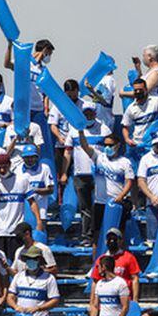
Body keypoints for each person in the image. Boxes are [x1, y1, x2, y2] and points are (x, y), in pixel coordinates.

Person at [64, 102, 112, 245]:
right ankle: (86, 236)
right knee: (85, 208)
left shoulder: (104, 129)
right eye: (85, 113)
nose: (88, 115)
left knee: (99, 206)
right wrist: (64, 173)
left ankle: (101, 235)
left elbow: (110, 151)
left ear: (95, 113)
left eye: (91, 113)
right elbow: (67, 152)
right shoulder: (73, 130)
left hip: (100, 175)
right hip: (80, 175)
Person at [78, 130, 134, 238]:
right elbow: (85, 146)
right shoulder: (99, 157)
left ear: (118, 145)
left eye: (110, 145)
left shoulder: (125, 162)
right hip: (100, 203)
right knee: (97, 235)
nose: (107, 147)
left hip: (117, 202)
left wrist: (121, 196)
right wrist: (81, 132)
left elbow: (129, 182)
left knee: (118, 235)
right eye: (105, 145)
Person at [0, 153, 33, 258]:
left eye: (4, 167)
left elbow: (32, 201)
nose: (1, 170)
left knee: (17, 260)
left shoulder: (22, 180)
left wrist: (39, 220)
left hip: (15, 231)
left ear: (10, 165)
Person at [121, 78, 158, 149]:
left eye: (140, 89)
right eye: (136, 90)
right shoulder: (131, 108)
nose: (138, 92)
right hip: (138, 144)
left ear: (146, 89)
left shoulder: (157, 101)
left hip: (155, 143)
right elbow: (125, 126)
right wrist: (127, 139)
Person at [91, 228, 140, 301]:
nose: (111, 241)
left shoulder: (129, 257)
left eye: (114, 239)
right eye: (109, 239)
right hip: (105, 302)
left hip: (124, 300)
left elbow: (135, 279)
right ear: (105, 241)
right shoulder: (101, 259)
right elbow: (95, 281)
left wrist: (135, 300)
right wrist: (92, 301)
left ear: (120, 241)